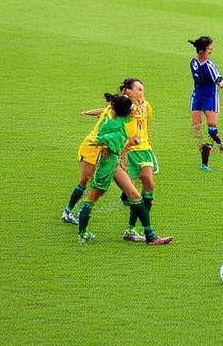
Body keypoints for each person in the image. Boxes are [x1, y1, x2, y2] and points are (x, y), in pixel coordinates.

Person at [77, 92, 172, 245]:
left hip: (114, 162)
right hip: (108, 166)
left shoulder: (113, 116)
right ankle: (82, 234)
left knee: (135, 196)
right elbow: (107, 140)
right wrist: (110, 144)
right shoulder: (116, 128)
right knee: (92, 197)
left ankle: (150, 236)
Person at [62, 95, 117, 224]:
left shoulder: (112, 111)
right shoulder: (114, 117)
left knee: (92, 182)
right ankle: (68, 212)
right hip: (91, 148)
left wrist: (87, 112)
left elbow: (103, 110)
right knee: (85, 181)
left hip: (97, 149)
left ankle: (77, 211)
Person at [118, 78, 160, 242]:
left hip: (144, 149)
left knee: (148, 183)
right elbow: (108, 113)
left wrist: (147, 140)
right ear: (128, 90)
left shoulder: (145, 105)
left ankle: (136, 228)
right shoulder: (123, 105)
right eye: (139, 89)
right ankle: (133, 229)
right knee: (134, 193)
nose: (142, 93)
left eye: (142, 89)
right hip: (129, 151)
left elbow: (146, 125)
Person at [189, 36, 223, 171]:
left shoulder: (209, 65)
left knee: (211, 126)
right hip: (197, 96)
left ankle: (220, 145)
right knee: (197, 129)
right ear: (201, 51)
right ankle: (205, 159)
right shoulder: (193, 62)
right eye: (209, 48)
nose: (211, 50)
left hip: (210, 97)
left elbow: (219, 81)